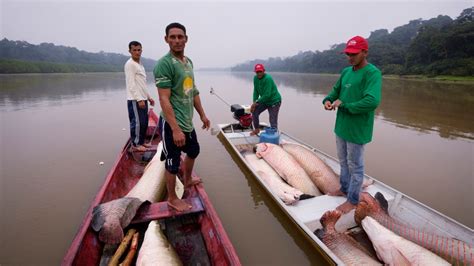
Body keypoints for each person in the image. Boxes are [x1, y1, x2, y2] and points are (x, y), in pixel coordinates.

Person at [154, 23, 210, 212]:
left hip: (187, 121)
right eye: (173, 37)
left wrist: (202, 115)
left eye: (180, 37)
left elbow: (192, 91)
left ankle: (186, 180)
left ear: (186, 39)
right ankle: (171, 198)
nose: (177, 41)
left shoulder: (188, 62)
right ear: (166, 39)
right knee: (172, 161)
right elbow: (163, 98)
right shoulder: (165, 64)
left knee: (193, 150)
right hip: (172, 123)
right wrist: (175, 129)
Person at [322, 36, 382, 214]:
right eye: (348, 54)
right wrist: (328, 100)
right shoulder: (346, 72)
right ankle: (344, 188)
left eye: (354, 54)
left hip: (357, 129)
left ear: (365, 52)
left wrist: (346, 106)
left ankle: (353, 200)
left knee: (355, 165)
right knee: (343, 161)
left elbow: (372, 101)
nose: (350, 57)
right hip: (341, 126)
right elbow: (336, 91)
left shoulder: (372, 73)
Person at [125, 41, 155, 152]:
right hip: (135, 99)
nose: (137, 52)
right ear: (130, 51)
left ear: (141, 50)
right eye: (134, 50)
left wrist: (148, 97)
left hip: (142, 99)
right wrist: (138, 99)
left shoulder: (140, 64)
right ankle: (136, 144)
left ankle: (141, 142)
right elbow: (131, 84)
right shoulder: (130, 64)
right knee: (137, 123)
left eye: (139, 50)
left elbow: (142, 84)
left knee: (144, 122)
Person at [250, 63, 282, 135]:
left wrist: (257, 102)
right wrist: (254, 102)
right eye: (257, 72)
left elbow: (267, 95)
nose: (259, 73)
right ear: (255, 72)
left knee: (272, 119)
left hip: (274, 101)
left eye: (260, 71)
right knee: (254, 111)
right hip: (264, 100)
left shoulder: (268, 78)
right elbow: (256, 91)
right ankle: (257, 129)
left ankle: (274, 135)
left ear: (264, 71)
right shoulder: (255, 78)